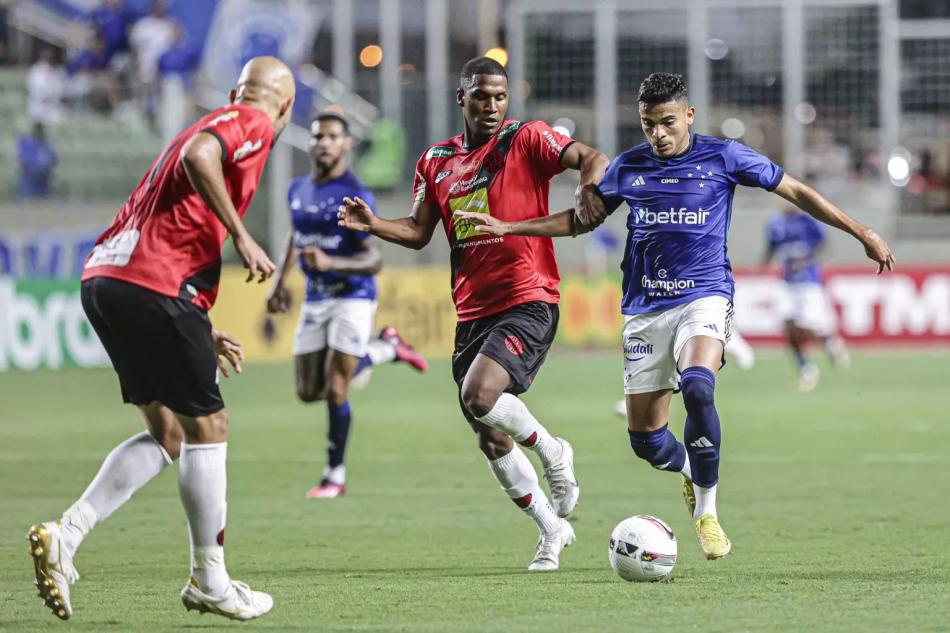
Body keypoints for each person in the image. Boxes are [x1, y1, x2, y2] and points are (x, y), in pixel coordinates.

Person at [454, 72, 895, 560]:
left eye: (667, 122)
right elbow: (580, 222)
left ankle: (707, 511)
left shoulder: (723, 157)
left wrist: (862, 232)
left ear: (688, 115)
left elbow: (795, 191)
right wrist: (509, 225)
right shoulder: (629, 167)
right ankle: (688, 469)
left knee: (699, 385)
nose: (658, 134)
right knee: (647, 441)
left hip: (704, 297)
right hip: (645, 310)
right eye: (648, 125)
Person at [26, 56, 295, 622]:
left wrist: (197, 321)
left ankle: (66, 535)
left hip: (107, 279)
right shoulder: (254, 122)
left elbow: (172, 204)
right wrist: (243, 237)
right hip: (154, 285)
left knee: (170, 434)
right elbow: (204, 159)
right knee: (209, 427)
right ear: (286, 107)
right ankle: (209, 580)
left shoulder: (194, 127)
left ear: (232, 88)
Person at [339, 57, 610, 571]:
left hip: (528, 296)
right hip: (472, 310)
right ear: (461, 98)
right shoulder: (435, 161)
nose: (491, 105)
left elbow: (591, 155)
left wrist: (587, 186)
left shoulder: (525, 139)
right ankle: (551, 530)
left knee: (480, 394)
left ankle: (555, 451)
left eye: (500, 96)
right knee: (489, 433)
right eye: (481, 96)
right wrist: (373, 223)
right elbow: (419, 233)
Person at [266, 111, 428, 499]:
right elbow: (297, 236)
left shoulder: (355, 194)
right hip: (316, 298)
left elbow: (374, 260)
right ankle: (385, 348)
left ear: (346, 144)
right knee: (308, 391)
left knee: (338, 388)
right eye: (318, 136)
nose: (323, 142)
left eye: (332, 137)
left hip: (352, 297)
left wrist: (331, 262)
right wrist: (279, 282)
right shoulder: (297, 189)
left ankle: (334, 476)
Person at [764, 205, 849, 391]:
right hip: (786, 282)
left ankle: (831, 344)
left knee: (809, 327)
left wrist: (807, 260)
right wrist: (763, 264)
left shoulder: (809, 221)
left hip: (808, 281)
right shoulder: (775, 223)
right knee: (788, 327)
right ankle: (807, 370)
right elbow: (771, 248)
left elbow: (826, 245)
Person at [17, 123, 58, 198]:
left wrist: (42, 168)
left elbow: (54, 160)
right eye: (37, 130)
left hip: (43, 178)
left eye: (40, 131)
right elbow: (20, 160)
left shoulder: (48, 144)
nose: (39, 133)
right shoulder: (25, 143)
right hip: (29, 178)